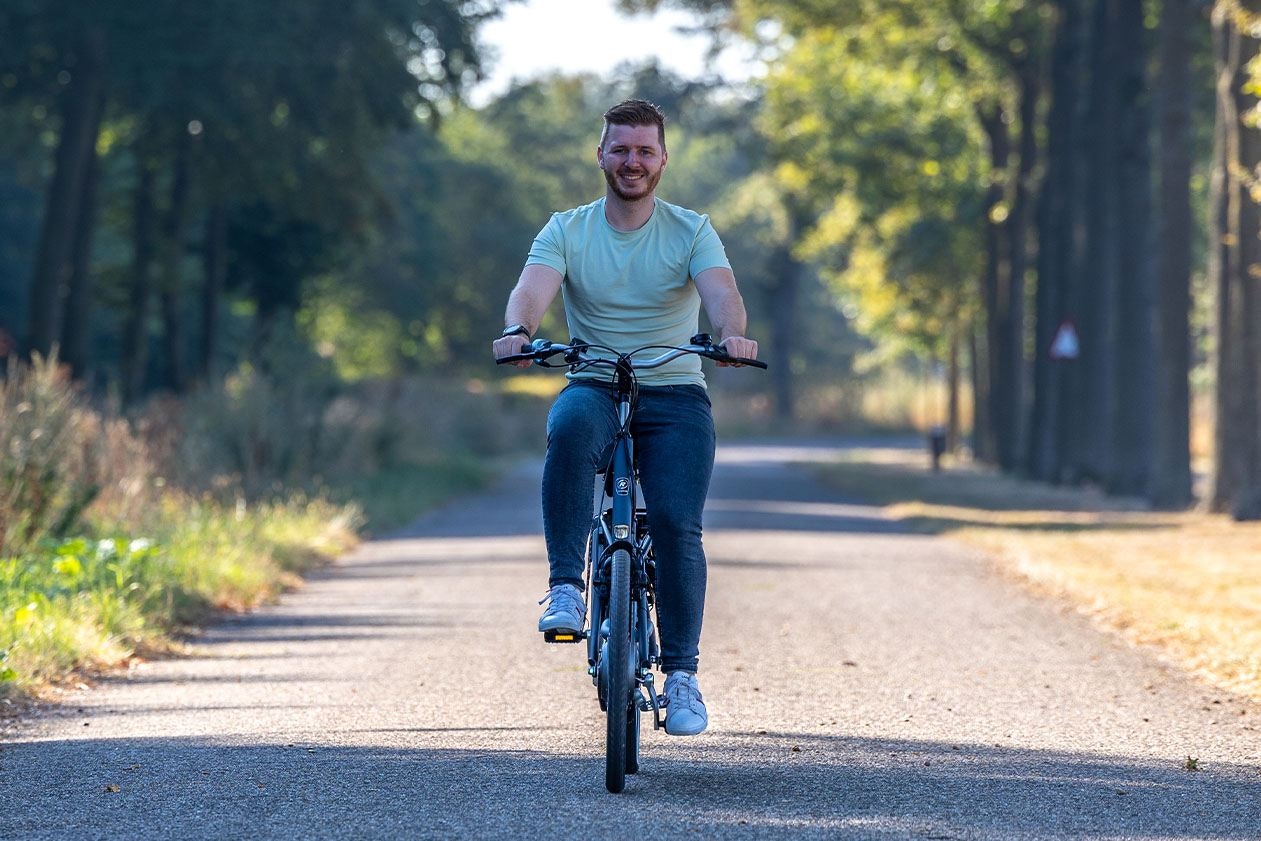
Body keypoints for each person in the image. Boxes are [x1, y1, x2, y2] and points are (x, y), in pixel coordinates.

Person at [491, 99, 758, 736]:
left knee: (674, 521)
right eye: (620, 149)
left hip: (674, 392)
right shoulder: (566, 229)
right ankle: (565, 588)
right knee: (571, 425)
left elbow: (723, 296)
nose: (631, 162)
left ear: (662, 159)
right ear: (601, 156)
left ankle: (683, 678)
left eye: (644, 151)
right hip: (595, 380)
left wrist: (732, 337)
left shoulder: (691, 230)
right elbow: (533, 288)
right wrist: (519, 331)